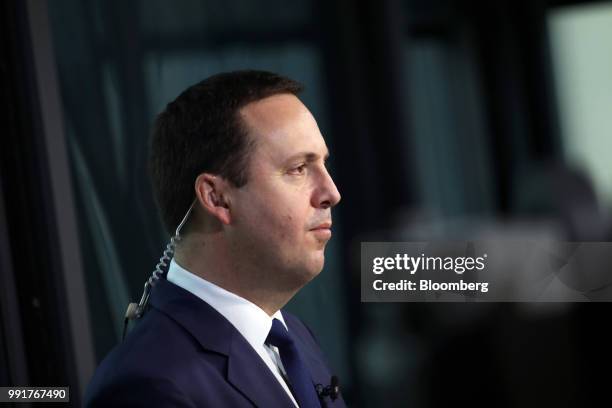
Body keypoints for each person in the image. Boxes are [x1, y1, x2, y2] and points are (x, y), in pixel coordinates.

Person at [85, 70, 346, 407]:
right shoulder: (146, 385)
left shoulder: (294, 337)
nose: (331, 193)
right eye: (298, 168)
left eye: (323, 165)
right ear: (217, 198)